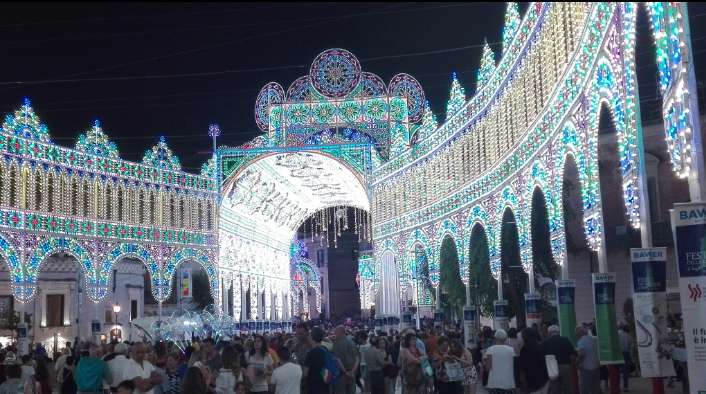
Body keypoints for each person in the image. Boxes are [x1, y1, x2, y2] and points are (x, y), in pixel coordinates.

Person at [543, 325, 577, 394]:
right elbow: (573, 355)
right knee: (568, 388)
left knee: (554, 389)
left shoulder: (545, 342)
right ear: (558, 332)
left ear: (549, 333)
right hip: (565, 366)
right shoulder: (565, 340)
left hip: (552, 368)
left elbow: (543, 356)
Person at [519, 328, 549, 394]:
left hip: (532, 379)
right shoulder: (542, 346)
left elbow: (523, 366)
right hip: (545, 377)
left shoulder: (524, 349)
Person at [485, 329, 515, 394]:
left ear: (495, 338)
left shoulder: (491, 349)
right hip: (508, 382)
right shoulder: (511, 350)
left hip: (494, 382)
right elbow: (512, 364)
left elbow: (488, 367)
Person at [331, 326, 359, 394]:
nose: (335, 335)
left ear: (339, 333)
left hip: (341, 374)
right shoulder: (352, 343)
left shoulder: (336, 343)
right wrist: (352, 371)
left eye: (335, 333)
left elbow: (338, 360)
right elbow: (357, 359)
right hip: (352, 374)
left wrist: (345, 372)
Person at [302, 327, 330, 394]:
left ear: (311, 338)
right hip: (325, 385)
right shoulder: (325, 350)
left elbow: (305, 373)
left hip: (314, 387)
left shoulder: (311, 353)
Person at [575, 325, 600, 394]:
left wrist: (577, 364)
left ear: (580, 332)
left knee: (585, 388)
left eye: (576, 331)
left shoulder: (581, 342)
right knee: (596, 388)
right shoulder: (595, 340)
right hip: (596, 367)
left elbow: (582, 354)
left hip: (586, 368)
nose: (575, 333)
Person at [618, 324, 632, 392]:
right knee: (625, 371)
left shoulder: (616, 334)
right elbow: (631, 345)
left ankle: (617, 386)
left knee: (617, 371)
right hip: (626, 352)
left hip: (618, 353)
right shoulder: (627, 335)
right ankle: (625, 387)